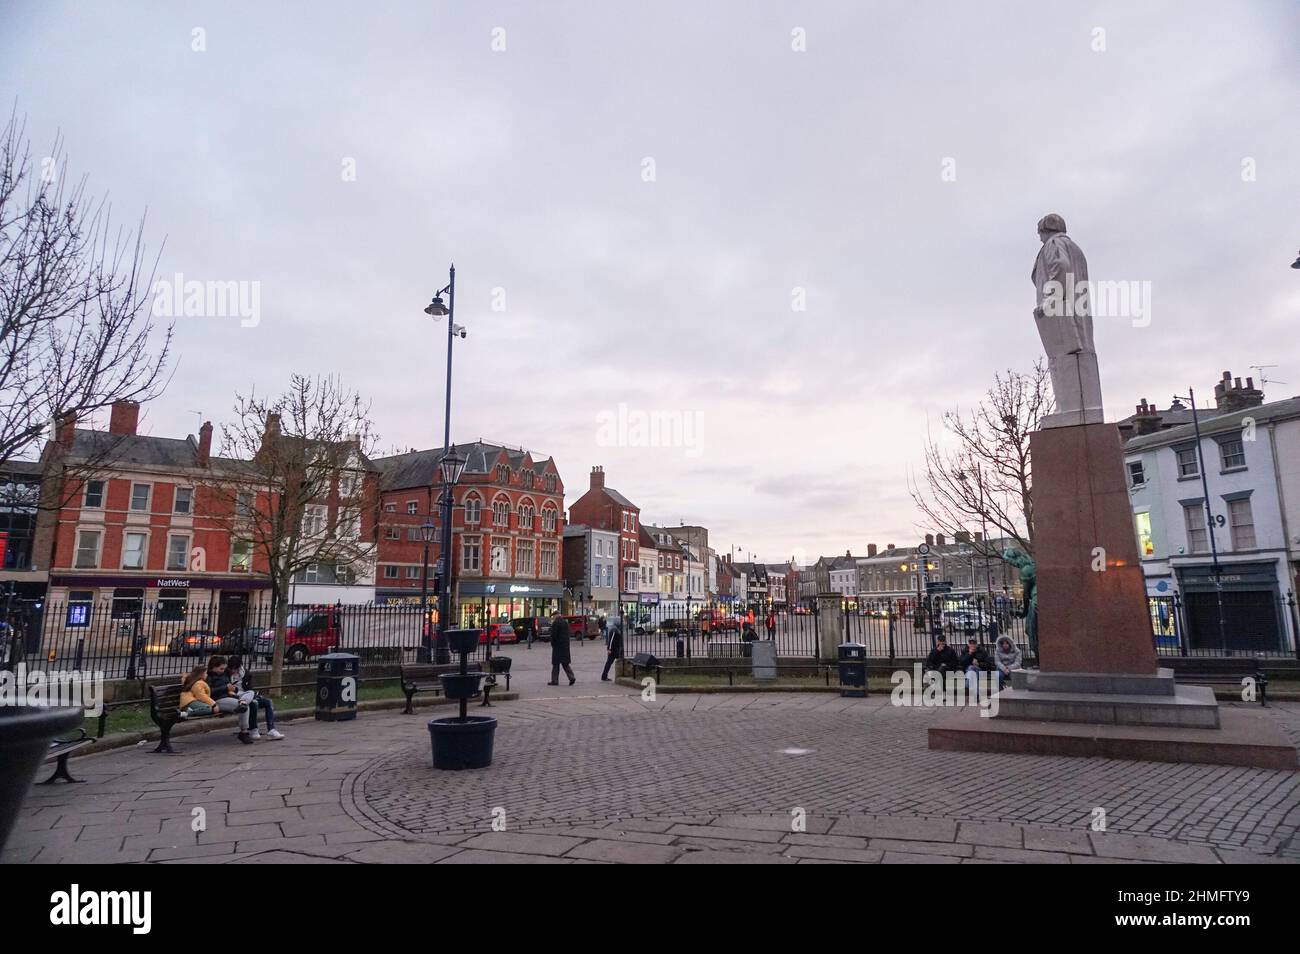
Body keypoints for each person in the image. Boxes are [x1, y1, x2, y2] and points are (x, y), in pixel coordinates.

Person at [227, 654, 284, 740]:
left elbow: (250, 689)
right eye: (232, 668)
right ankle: (253, 729)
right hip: (235, 697)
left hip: (248, 695)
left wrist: (252, 694)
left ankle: (271, 729)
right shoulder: (226, 675)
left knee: (268, 702)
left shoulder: (246, 674)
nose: (233, 670)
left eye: (235, 668)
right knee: (253, 703)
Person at [206, 654, 255, 744]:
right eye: (221, 669)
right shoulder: (209, 677)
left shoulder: (224, 674)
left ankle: (243, 702)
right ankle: (244, 732)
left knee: (249, 695)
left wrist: (234, 689)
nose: (223, 671)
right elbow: (209, 692)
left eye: (224, 668)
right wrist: (226, 688)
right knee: (244, 706)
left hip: (229, 696)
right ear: (213, 667)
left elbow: (231, 684)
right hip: (217, 700)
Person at [548, 612, 575, 686]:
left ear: (555, 616)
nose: (553, 618)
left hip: (558, 646)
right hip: (565, 646)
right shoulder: (565, 623)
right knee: (565, 663)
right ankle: (571, 677)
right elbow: (568, 634)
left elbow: (554, 635)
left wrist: (553, 644)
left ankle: (555, 680)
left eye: (553, 616)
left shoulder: (555, 623)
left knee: (555, 664)